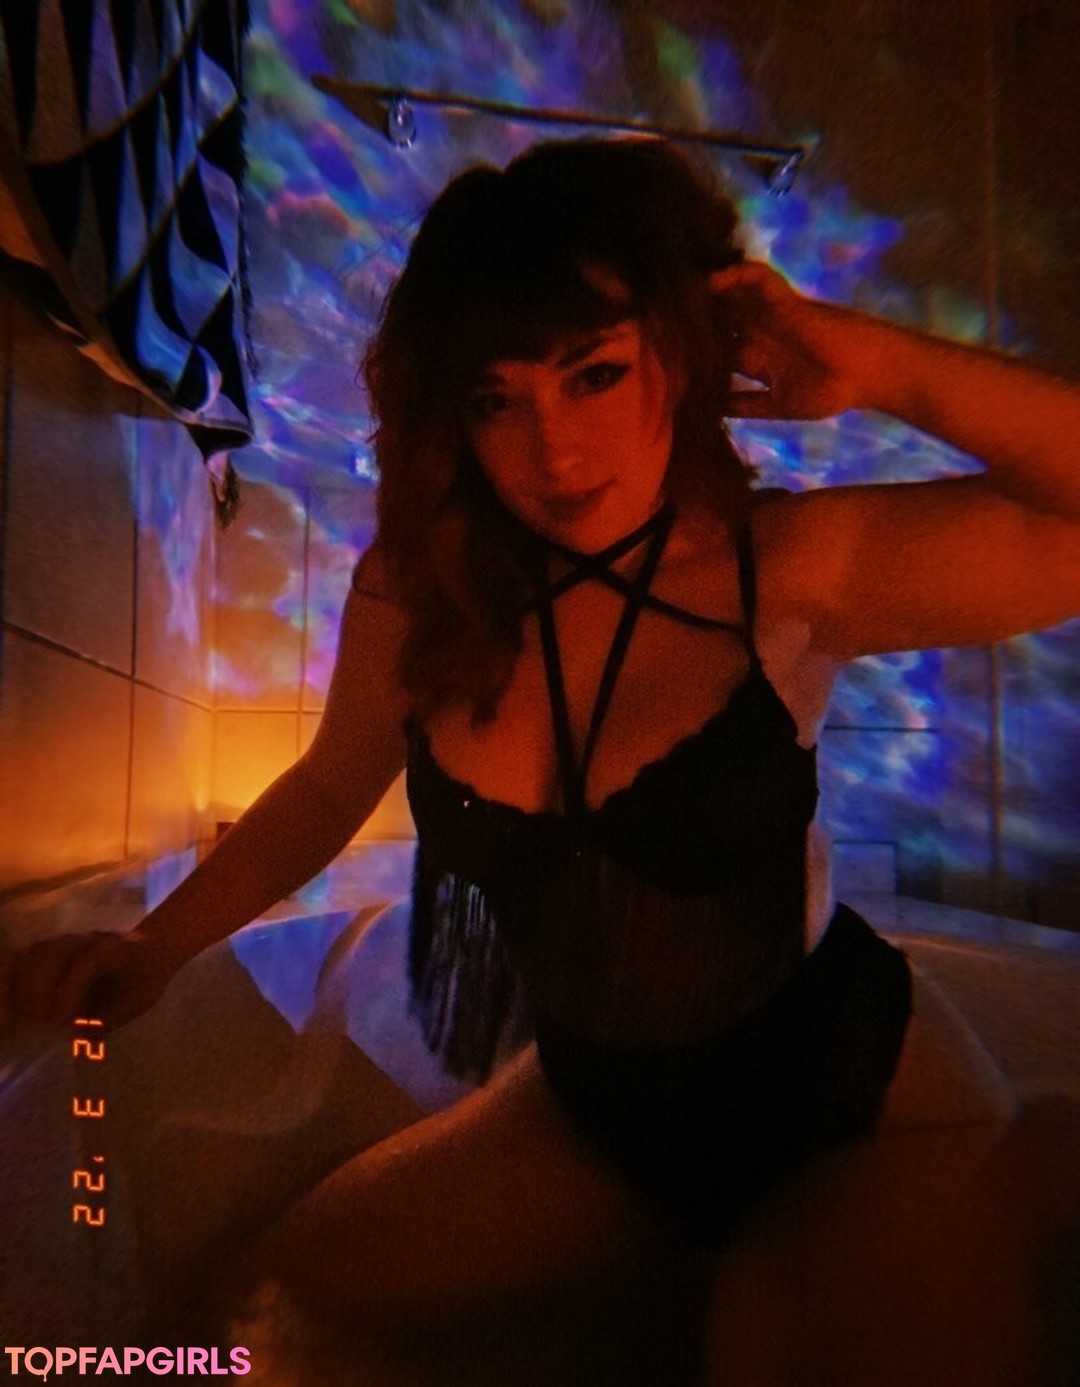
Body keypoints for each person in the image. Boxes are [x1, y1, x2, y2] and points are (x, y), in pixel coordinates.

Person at [3, 137, 1078, 1379]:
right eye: (496, 399)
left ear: (681, 354)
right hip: (596, 1109)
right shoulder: (424, 588)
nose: (554, 451)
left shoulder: (783, 568)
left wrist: (876, 360)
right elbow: (329, 787)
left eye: (595, 373)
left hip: (850, 1106)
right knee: (262, 1324)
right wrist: (154, 948)